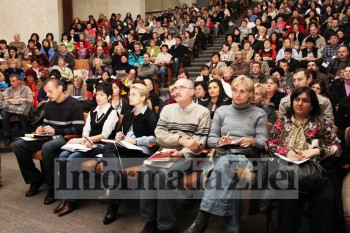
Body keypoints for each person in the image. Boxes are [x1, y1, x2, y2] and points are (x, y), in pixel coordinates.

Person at [184, 75, 268, 233]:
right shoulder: (222, 111)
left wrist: (251, 140)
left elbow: (264, 142)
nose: (237, 94)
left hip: (246, 159)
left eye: (242, 91)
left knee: (226, 164)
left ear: (251, 94)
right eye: (235, 90)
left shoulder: (259, 114)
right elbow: (211, 139)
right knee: (229, 171)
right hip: (222, 155)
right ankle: (232, 227)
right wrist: (220, 142)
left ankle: (201, 220)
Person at [140, 79, 211, 233]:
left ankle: (166, 225)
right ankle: (150, 220)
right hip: (165, 152)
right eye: (175, 88)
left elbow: (198, 143)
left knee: (164, 174)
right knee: (146, 169)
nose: (176, 91)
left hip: (189, 156)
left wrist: (181, 151)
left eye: (182, 88)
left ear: (192, 91)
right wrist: (181, 140)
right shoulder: (167, 109)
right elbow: (159, 135)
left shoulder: (202, 112)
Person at [266, 87, 341, 233]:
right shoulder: (283, 121)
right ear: (292, 101)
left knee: (325, 201)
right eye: (297, 99)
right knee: (288, 199)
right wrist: (287, 152)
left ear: (312, 105)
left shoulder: (321, 122)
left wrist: (316, 151)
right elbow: (270, 143)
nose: (300, 103)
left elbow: (337, 147)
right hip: (288, 170)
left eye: (305, 101)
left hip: (316, 170)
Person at [13, 78, 84, 205]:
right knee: (18, 145)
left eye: (50, 91)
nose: (47, 95)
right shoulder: (50, 103)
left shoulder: (75, 104)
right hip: (49, 136)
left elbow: (79, 130)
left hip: (66, 138)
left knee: (48, 147)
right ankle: (35, 179)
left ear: (60, 88)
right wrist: (41, 128)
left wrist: (56, 131)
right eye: (46, 92)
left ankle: (52, 188)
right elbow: (46, 122)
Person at [54, 83, 118, 216]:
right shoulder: (92, 111)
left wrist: (88, 140)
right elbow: (85, 130)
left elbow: (104, 135)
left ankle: (72, 200)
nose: (98, 97)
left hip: (101, 146)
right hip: (86, 144)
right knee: (62, 156)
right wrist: (84, 139)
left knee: (72, 159)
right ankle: (65, 196)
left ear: (109, 97)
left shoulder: (113, 113)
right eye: (97, 94)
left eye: (102, 95)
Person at [101, 83, 158, 224]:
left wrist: (135, 141)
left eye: (133, 95)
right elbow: (125, 133)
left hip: (141, 152)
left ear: (143, 97)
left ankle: (112, 200)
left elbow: (156, 138)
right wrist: (121, 136)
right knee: (108, 148)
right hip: (126, 148)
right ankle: (114, 193)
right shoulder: (129, 113)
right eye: (130, 94)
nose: (130, 97)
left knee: (109, 154)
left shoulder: (150, 115)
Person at [1, 74, 33, 146]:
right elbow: (5, 101)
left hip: (22, 107)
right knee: (4, 113)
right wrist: (10, 100)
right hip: (11, 108)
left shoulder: (26, 88)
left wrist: (25, 100)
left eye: (13, 81)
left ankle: (24, 134)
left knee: (23, 113)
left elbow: (31, 101)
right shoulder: (8, 90)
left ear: (19, 81)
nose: (11, 83)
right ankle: (7, 136)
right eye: (10, 81)